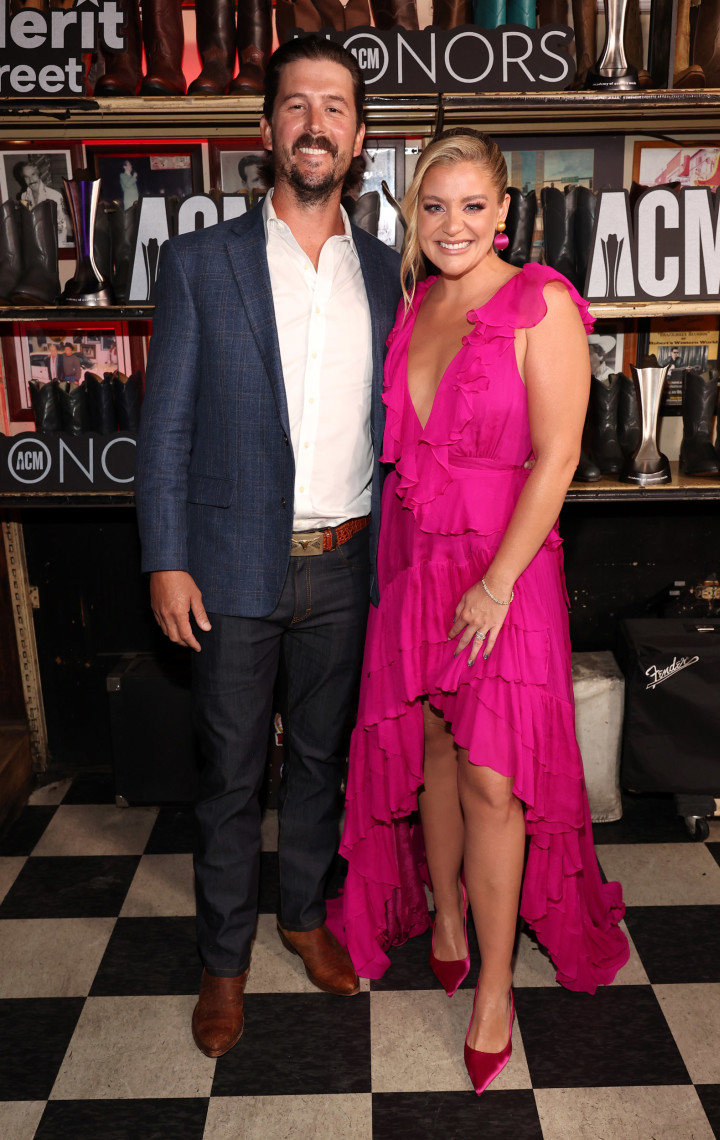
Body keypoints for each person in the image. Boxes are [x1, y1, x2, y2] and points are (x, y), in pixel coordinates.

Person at [335, 129, 630, 1095]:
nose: (452, 224)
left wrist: (498, 583)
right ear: (413, 216)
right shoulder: (415, 304)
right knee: (430, 753)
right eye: (433, 206)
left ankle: (495, 984)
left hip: (504, 570)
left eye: (472, 206)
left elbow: (558, 456)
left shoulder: (538, 300)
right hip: (417, 560)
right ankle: (450, 918)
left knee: (495, 781)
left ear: (504, 212)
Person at [134, 35, 401, 1059]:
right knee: (232, 776)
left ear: (360, 137)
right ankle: (223, 959)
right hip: (230, 569)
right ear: (267, 130)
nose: (315, 124)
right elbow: (165, 429)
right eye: (296, 105)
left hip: (346, 563)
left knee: (323, 765)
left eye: (334, 107)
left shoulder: (384, 270)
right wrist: (165, 555)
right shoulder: (203, 262)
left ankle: (301, 917)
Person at [16, 160, 71, 244]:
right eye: (26, 177)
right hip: (34, 242)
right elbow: (29, 220)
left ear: (39, 174)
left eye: (33, 175)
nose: (31, 180)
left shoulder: (54, 195)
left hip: (53, 242)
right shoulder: (24, 196)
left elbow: (62, 226)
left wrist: (59, 246)